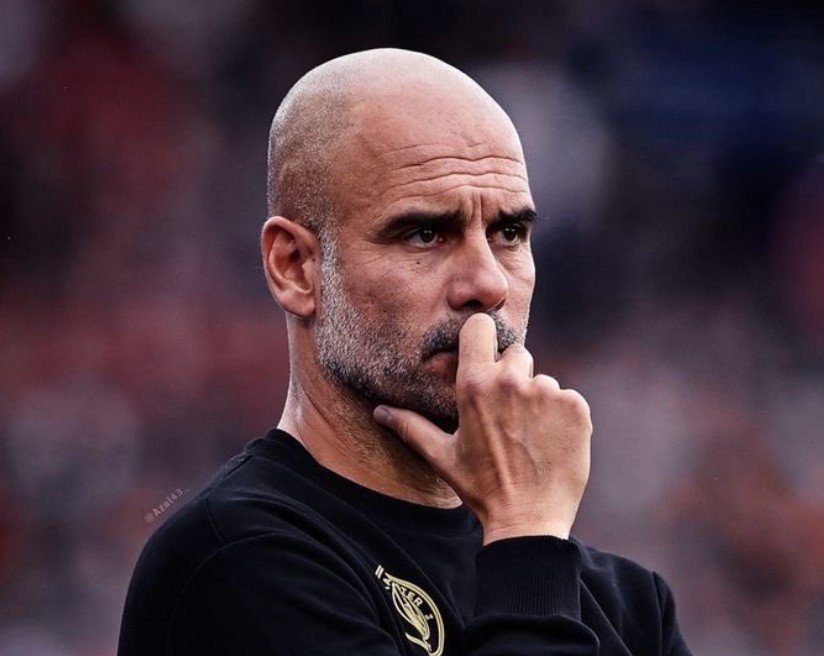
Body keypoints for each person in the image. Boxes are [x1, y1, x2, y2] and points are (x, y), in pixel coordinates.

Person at [119, 48, 692, 655]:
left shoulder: (628, 606)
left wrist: (531, 544)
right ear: (296, 267)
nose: (488, 283)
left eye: (509, 233)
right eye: (425, 234)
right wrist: (526, 538)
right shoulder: (235, 562)